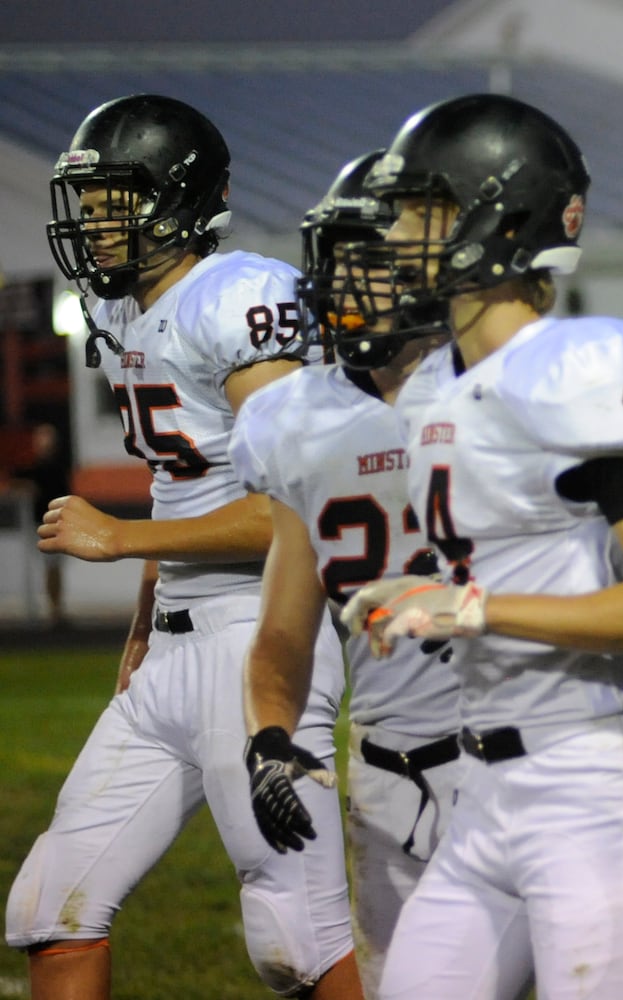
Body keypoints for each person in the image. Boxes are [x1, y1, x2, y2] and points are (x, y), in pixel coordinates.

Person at [335, 93, 623, 1000]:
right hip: (484, 784)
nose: (397, 235)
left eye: (421, 209)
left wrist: (477, 609)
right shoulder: (435, 381)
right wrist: (427, 585)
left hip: (588, 780)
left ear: (496, 220)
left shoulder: (573, 370)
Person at [5, 93, 361, 998]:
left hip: (259, 641)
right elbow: (187, 480)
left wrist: (123, 539)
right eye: (87, 206)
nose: (94, 226)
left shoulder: (238, 296)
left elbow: (299, 504)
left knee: (296, 938)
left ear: (179, 199)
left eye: (114, 204)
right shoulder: (125, 307)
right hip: (174, 644)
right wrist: (146, 612)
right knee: (53, 909)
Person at [228, 151, 464, 997]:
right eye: (340, 263)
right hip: (389, 772)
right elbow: (284, 630)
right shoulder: (292, 417)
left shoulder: (507, 388)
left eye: (373, 264)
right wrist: (268, 741)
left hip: (524, 755)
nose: (346, 286)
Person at [14, 423, 70, 627]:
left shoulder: (56, 468)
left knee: (53, 568)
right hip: (40, 523)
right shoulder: (35, 468)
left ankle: (54, 609)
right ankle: (53, 609)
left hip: (53, 524)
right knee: (49, 568)